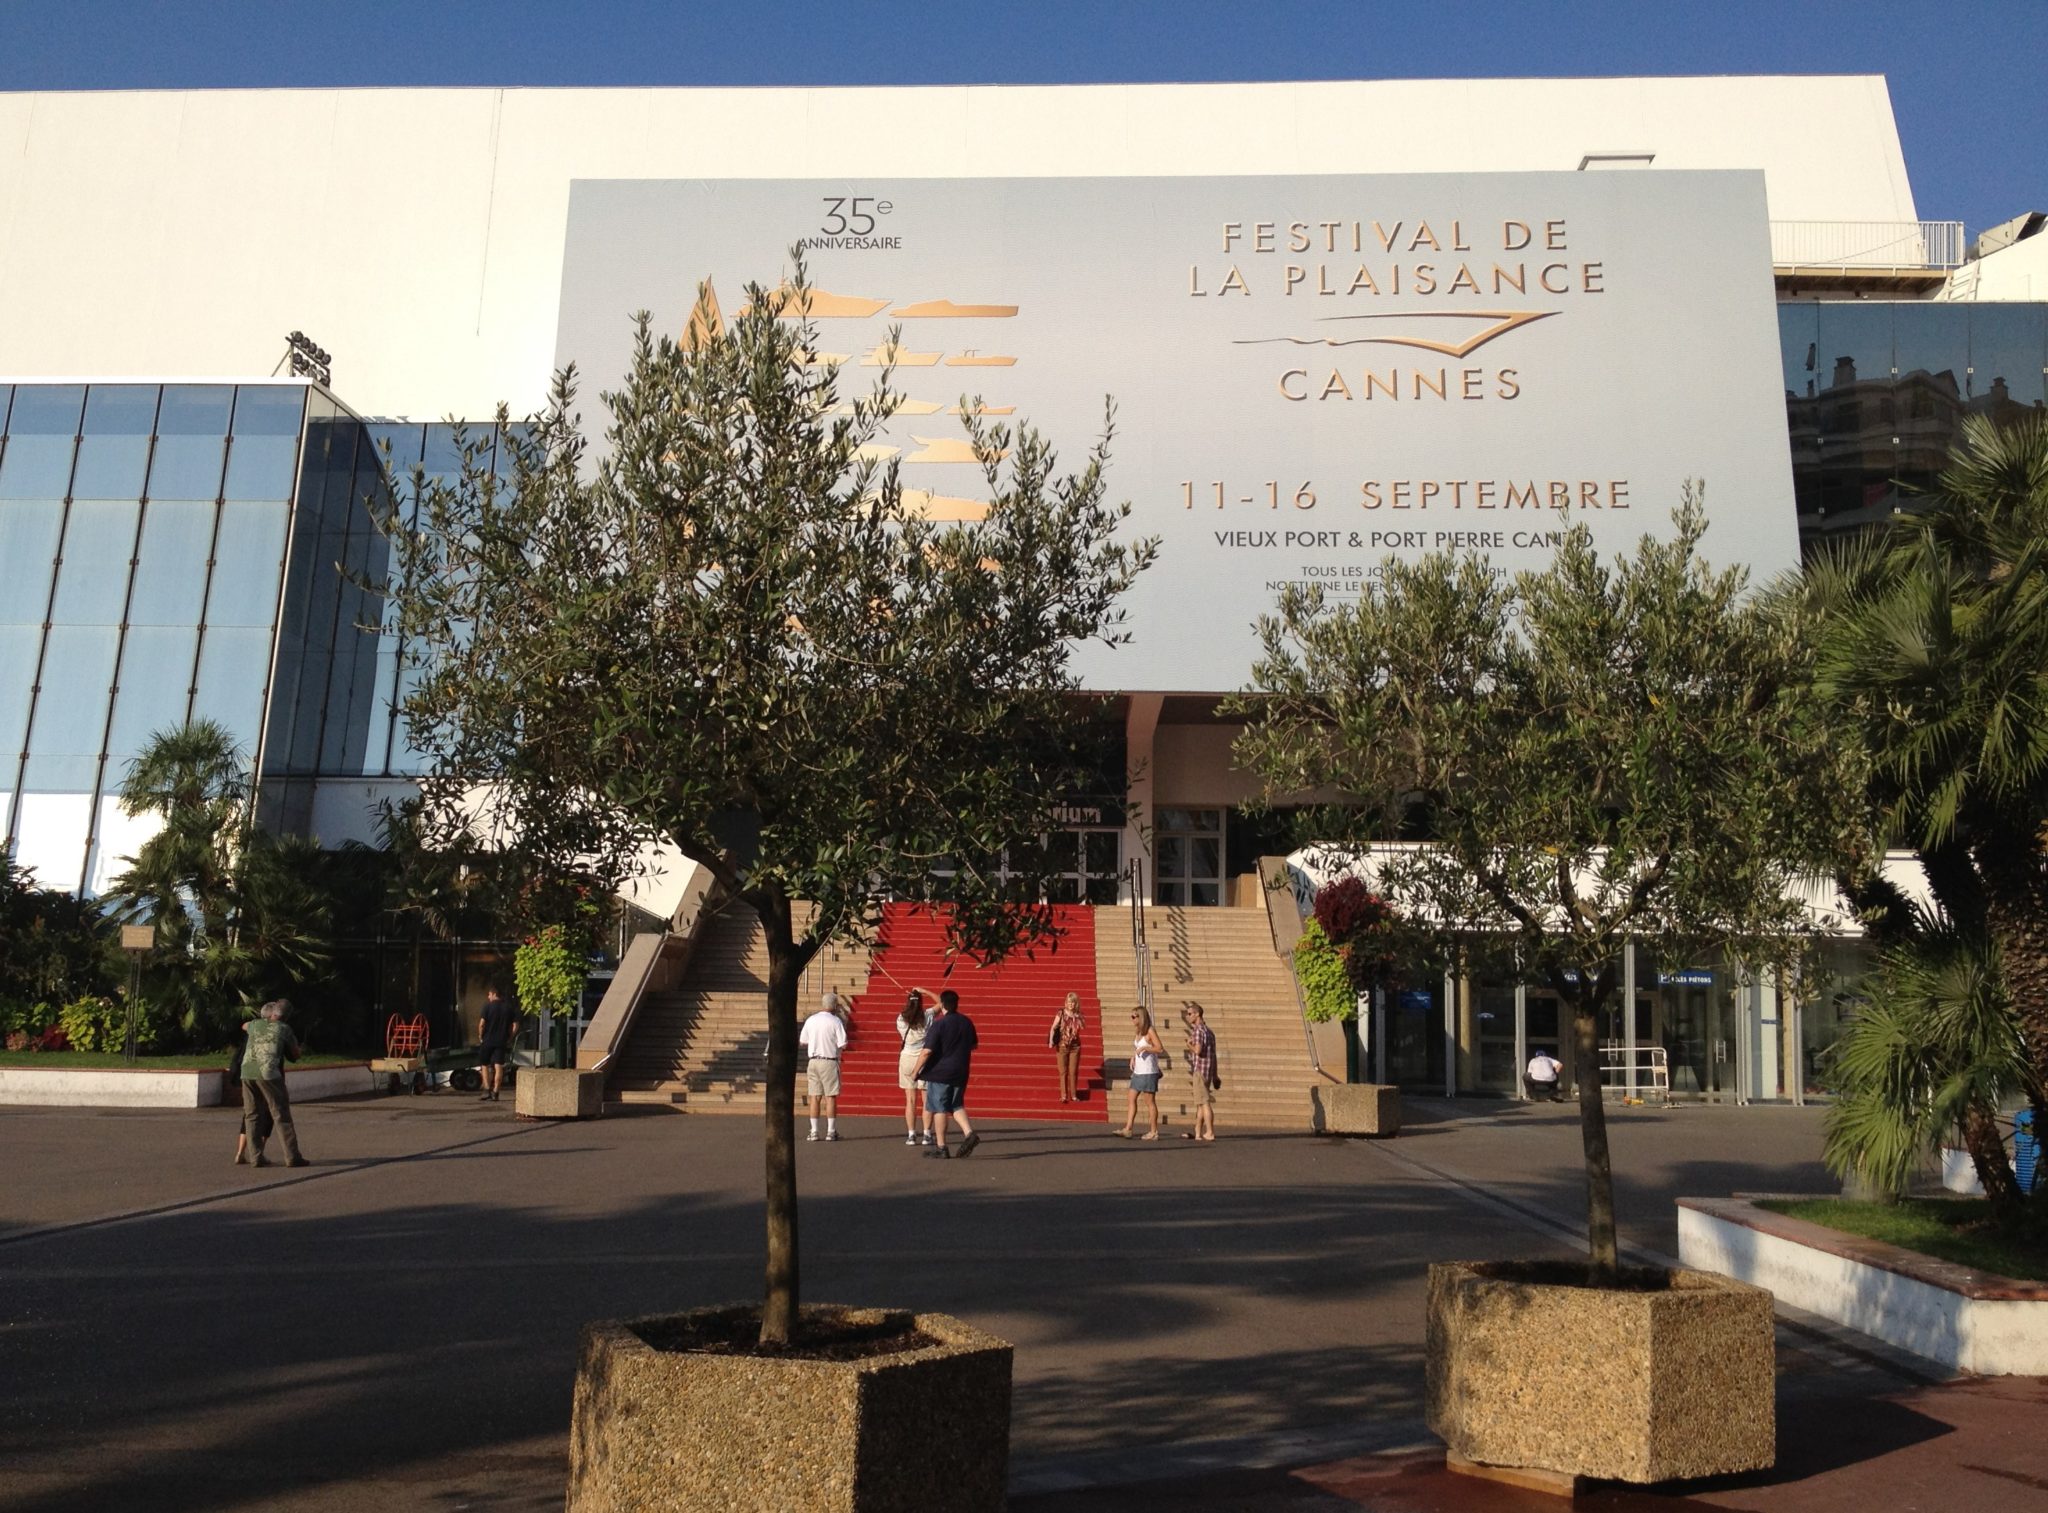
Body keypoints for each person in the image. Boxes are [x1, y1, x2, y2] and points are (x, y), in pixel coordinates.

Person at [238, 999, 307, 1168]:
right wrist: (300, 1049)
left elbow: (244, 1026)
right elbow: (295, 1054)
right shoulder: (284, 1029)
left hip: (247, 1071)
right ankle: (292, 1156)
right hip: (268, 1074)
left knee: (251, 1114)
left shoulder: (255, 1024)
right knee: (281, 1114)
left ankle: (256, 1157)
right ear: (287, 1016)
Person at [914, 988, 979, 1158]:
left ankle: (942, 1147)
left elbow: (927, 1051)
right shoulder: (966, 1022)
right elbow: (974, 1045)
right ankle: (969, 1133)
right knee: (956, 1104)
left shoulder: (939, 1024)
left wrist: (915, 1071)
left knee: (939, 1108)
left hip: (940, 1072)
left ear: (942, 1004)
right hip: (961, 1070)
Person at [800, 991, 849, 1141]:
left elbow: (803, 1041)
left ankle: (814, 1131)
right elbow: (843, 1044)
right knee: (830, 1097)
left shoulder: (811, 1020)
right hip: (829, 1060)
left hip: (813, 1060)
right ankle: (831, 1131)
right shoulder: (835, 1021)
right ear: (834, 1006)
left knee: (815, 1096)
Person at [1117, 1007, 1164, 1140]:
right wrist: (1134, 1057)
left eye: (1134, 1017)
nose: (1132, 1019)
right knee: (1131, 1097)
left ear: (1141, 1017)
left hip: (1148, 1071)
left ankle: (1153, 1131)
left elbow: (1159, 1048)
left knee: (1149, 1101)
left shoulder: (1150, 1031)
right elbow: (1137, 1048)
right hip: (1138, 1071)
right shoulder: (1138, 1031)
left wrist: (1145, 1048)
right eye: (1131, 1016)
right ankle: (1128, 1128)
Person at [896, 989, 932, 1146]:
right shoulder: (927, 1016)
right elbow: (940, 1003)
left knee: (910, 1100)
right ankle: (927, 1134)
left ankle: (911, 1134)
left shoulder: (901, 1018)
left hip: (907, 1057)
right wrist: (924, 990)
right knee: (926, 1099)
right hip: (923, 1058)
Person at [1180, 1003, 1219, 1141]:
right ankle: (1197, 1132)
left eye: (1190, 1013)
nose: (1188, 1016)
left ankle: (1209, 1131)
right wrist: (1215, 1074)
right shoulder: (1210, 1032)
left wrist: (1188, 1045)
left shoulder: (1198, 1031)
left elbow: (1197, 1050)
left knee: (1204, 1102)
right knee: (1201, 1102)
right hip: (1208, 1070)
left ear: (1197, 1014)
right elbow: (1213, 1055)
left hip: (1199, 1070)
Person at [476, 987, 516, 1102]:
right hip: (501, 1041)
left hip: (487, 1040)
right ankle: (496, 1092)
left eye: (489, 995)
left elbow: (482, 1024)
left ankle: (486, 1090)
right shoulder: (508, 1008)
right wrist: (510, 1037)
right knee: (498, 1066)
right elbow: (515, 1025)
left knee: (485, 1065)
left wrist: (480, 1036)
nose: (488, 997)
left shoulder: (487, 1007)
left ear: (494, 994)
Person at [1048, 991, 1086, 1103]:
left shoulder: (1078, 1015)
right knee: (1063, 1071)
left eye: (1073, 1002)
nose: (1071, 1004)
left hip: (1075, 1046)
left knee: (1073, 1071)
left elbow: (1083, 1027)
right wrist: (1051, 1041)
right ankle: (1064, 1095)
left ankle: (1073, 1095)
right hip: (1062, 1045)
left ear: (1076, 1003)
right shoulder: (1061, 1013)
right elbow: (1053, 1027)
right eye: (1069, 1002)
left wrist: (1079, 1018)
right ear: (1066, 1002)